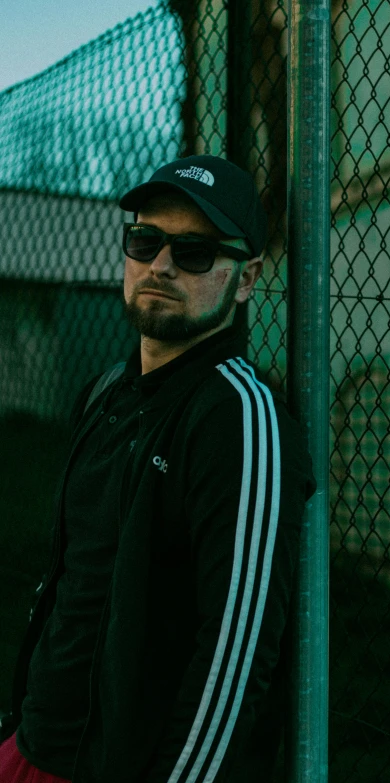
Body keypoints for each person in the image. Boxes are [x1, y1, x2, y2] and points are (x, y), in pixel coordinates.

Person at [0, 154, 317, 783]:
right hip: (33, 745)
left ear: (247, 277)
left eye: (195, 252)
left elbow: (235, 661)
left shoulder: (240, 418)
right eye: (145, 241)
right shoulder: (106, 392)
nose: (161, 265)